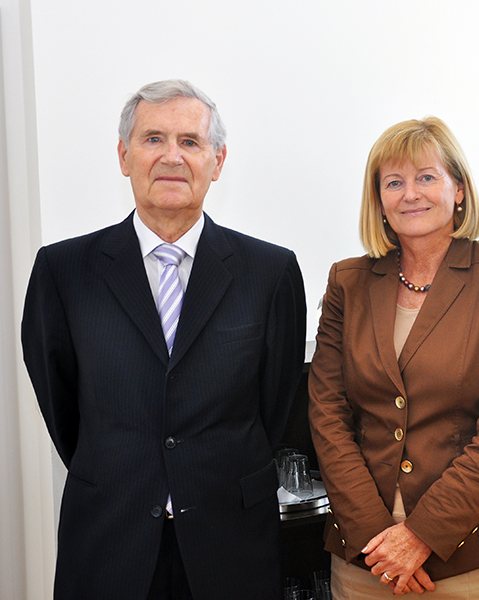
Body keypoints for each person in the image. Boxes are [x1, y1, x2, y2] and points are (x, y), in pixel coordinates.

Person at [21, 79, 306, 600]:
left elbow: (276, 405)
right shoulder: (64, 272)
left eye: (190, 142)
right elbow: (63, 408)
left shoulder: (270, 272)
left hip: (231, 544)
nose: (172, 156)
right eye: (153, 139)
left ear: (217, 162)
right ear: (124, 155)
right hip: (110, 539)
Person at [308, 117, 479, 598]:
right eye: (394, 182)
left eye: (426, 177)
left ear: (458, 189)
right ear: (380, 202)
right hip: (366, 556)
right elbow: (328, 415)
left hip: (476, 556)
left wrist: (420, 535)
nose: (410, 193)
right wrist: (376, 534)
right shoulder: (347, 283)